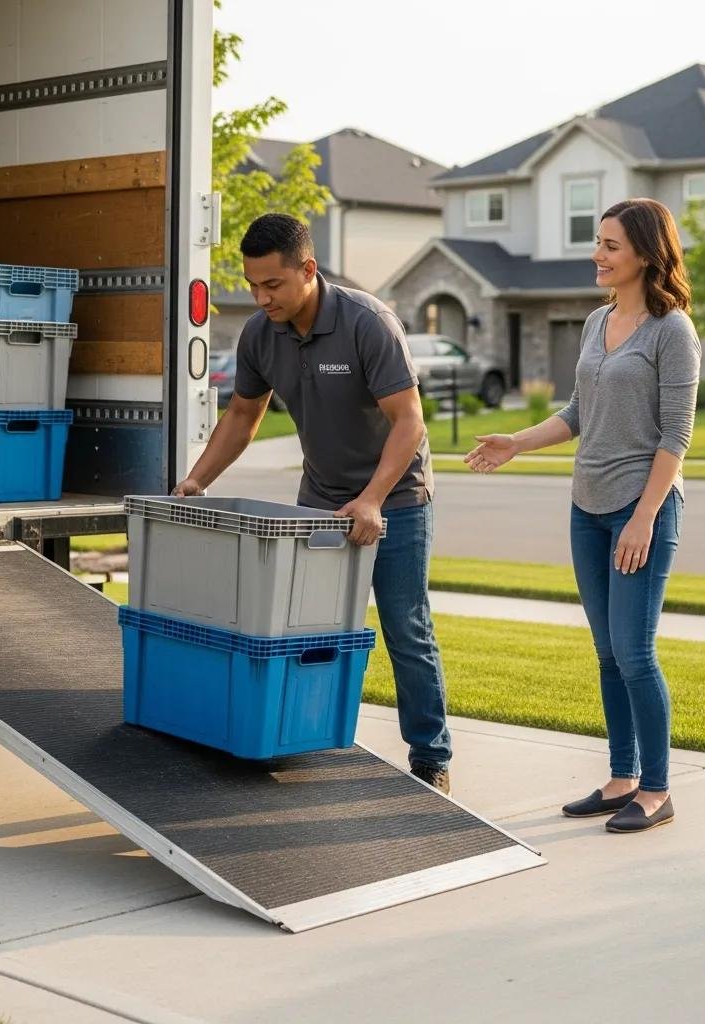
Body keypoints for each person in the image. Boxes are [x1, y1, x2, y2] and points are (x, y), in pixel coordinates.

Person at [173, 213, 452, 793]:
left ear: (308, 269)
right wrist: (197, 480)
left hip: (395, 498)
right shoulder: (260, 333)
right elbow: (243, 415)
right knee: (305, 627)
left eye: (272, 284)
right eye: (253, 285)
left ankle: (431, 757)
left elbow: (410, 421)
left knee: (405, 628)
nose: (261, 298)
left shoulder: (368, 323)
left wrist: (372, 499)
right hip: (319, 498)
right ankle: (299, 735)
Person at [464, 198, 700, 833]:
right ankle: (622, 778)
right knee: (606, 653)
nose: (597, 255)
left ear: (647, 254)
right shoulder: (598, 322)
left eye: (611, 246)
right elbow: (576, 413)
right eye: (598, 242)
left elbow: (676, 437)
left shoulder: (672, 330)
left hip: (640, 509)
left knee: (635, 652)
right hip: (587, 506)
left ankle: (657, 789)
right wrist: (516, 443)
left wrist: (645, 517)